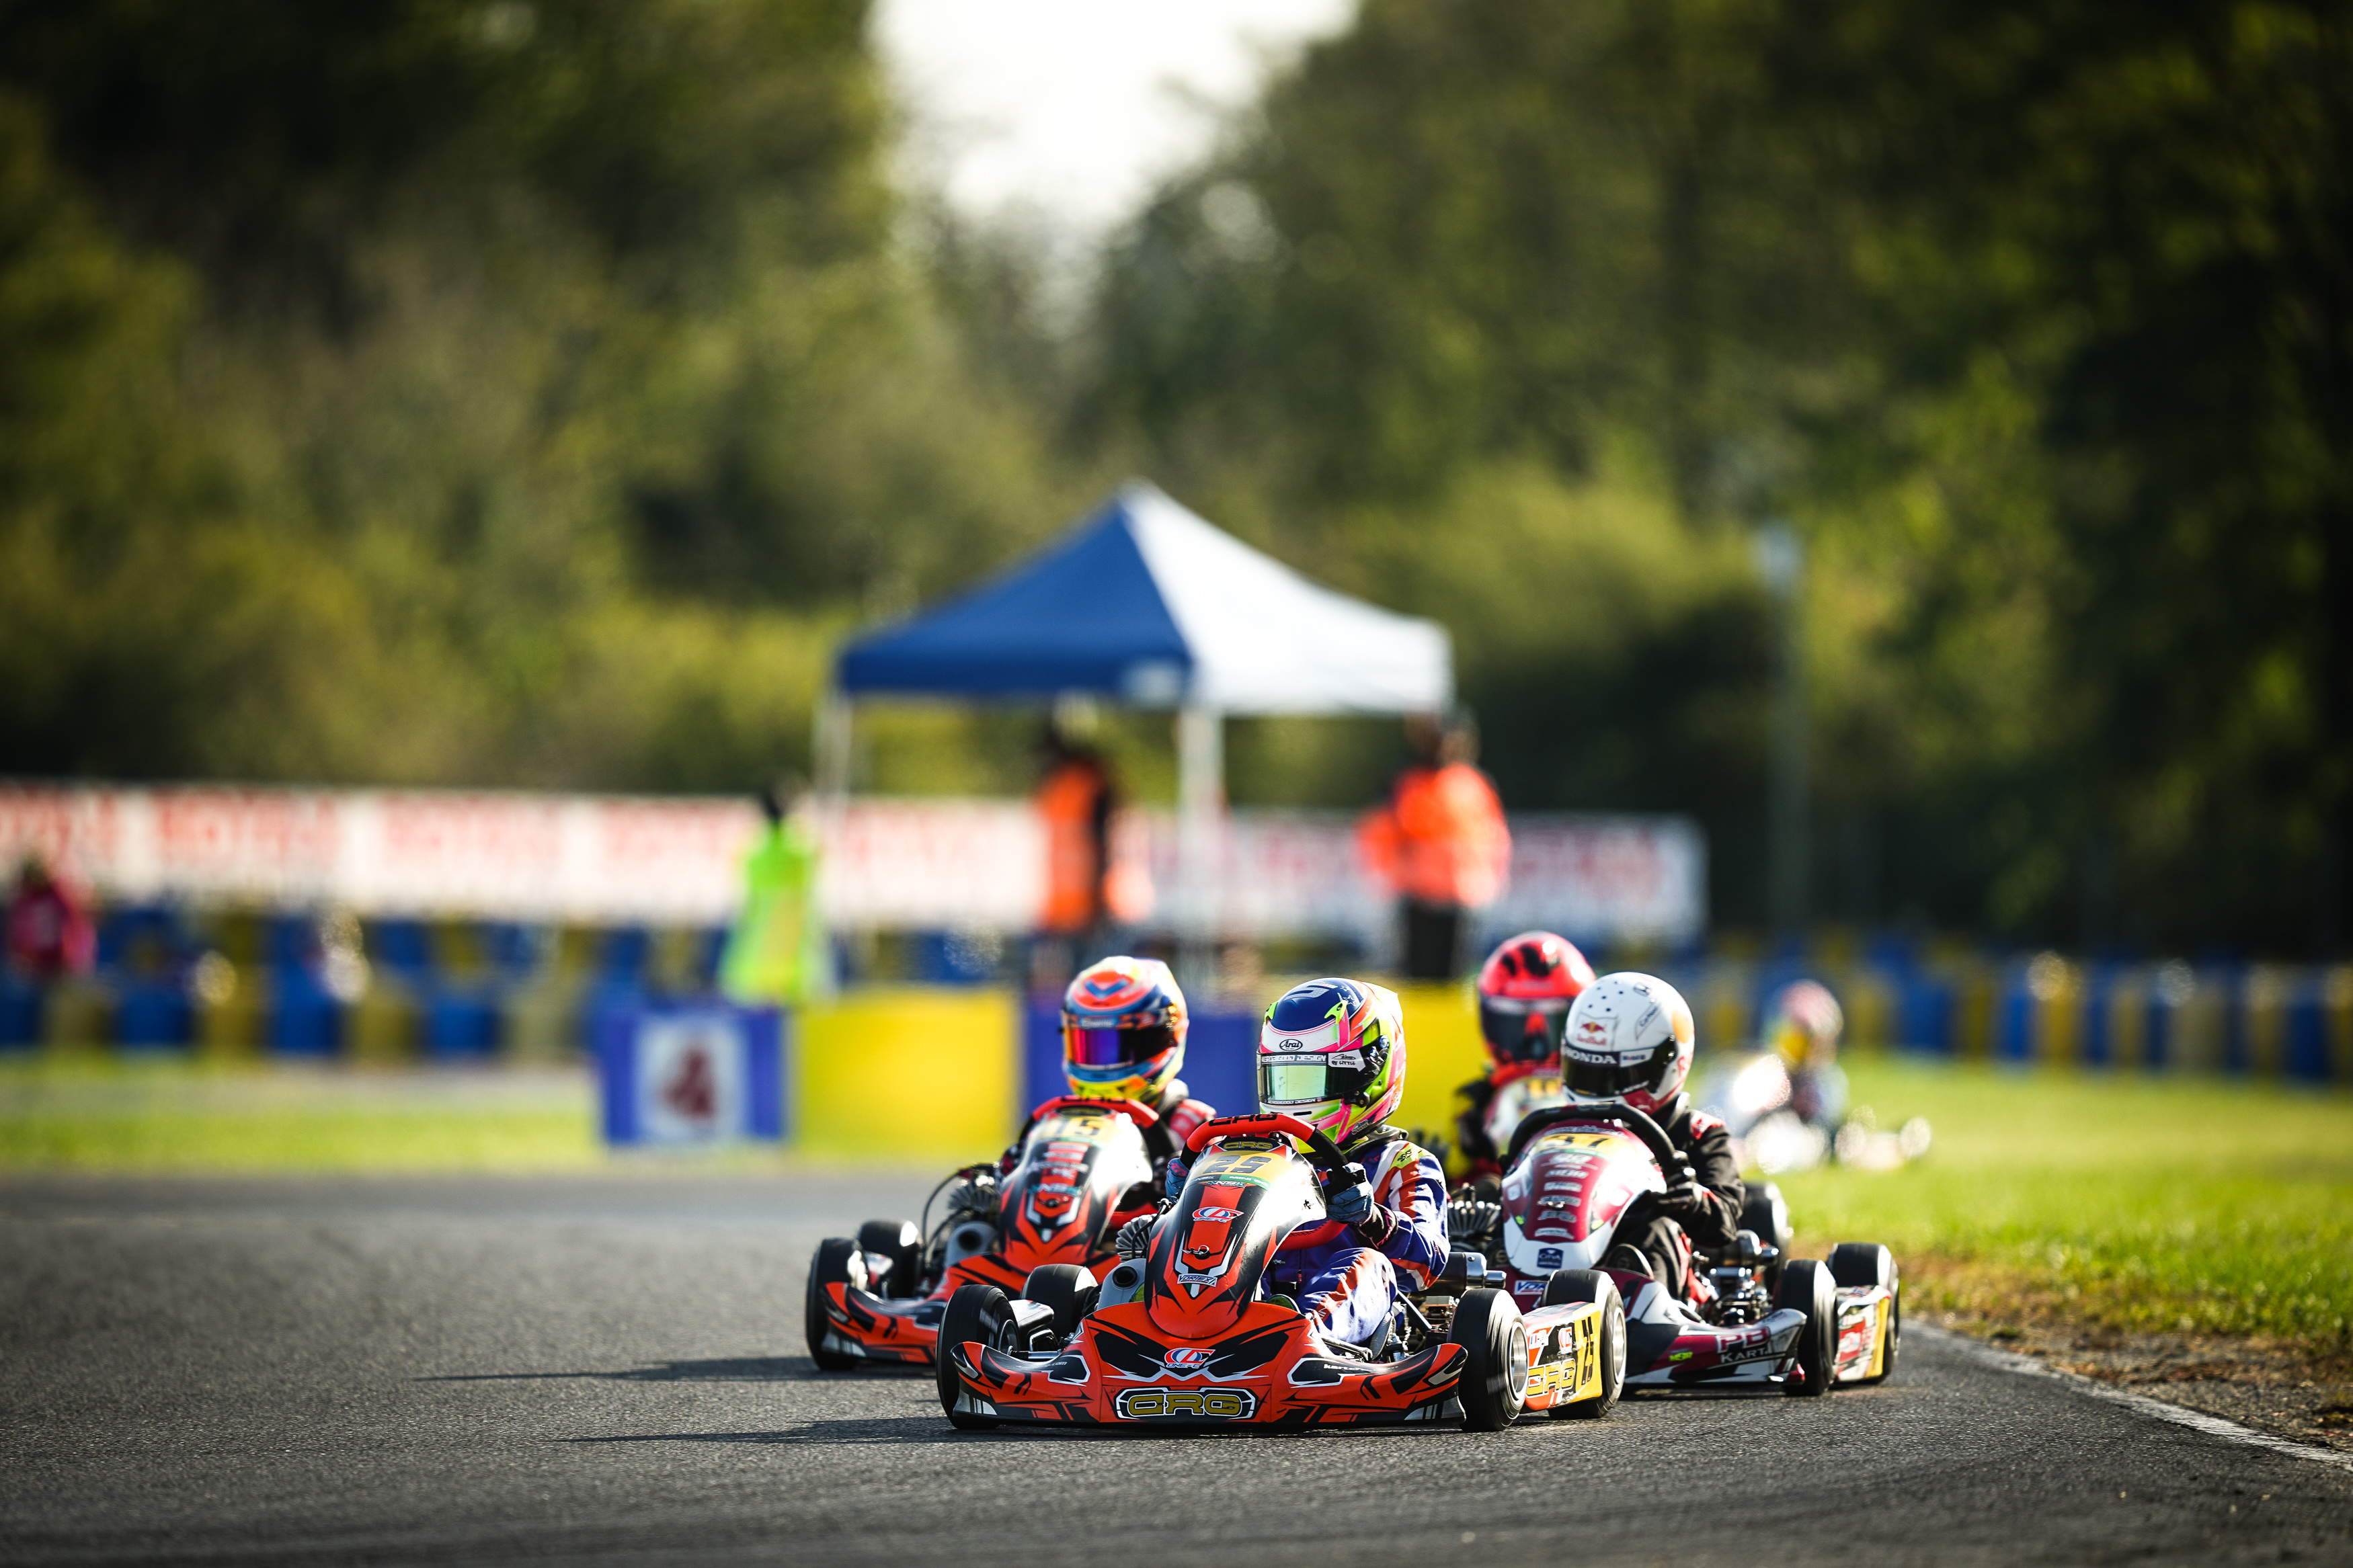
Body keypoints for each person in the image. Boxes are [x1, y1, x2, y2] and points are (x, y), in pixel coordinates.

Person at [1168, 978, 1448, 1352]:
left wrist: (1373, 1219)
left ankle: (1298, 1338)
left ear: (1366, 1076)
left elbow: (1426, 1264)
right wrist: (1180, 1206)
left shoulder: (1399, 1163)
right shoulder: (1248, 1157)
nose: (1293, 1099)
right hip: (1248, 1303)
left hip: (1354, 1325)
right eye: (1283, 1079)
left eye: (1311, 1078)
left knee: (1367, 1262)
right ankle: (1173, 1331)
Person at [1560, 971, 1743, 1301]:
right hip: (1562, 1247)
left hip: (1661, 1277)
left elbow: (1726, 1222)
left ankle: (1641, 1312)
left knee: (1656, 1231)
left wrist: (1692, 1200)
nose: (1595, 1094)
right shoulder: (1559, 1130)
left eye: (1612, 1077)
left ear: (1665, 1062)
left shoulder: (1698, 1134)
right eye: (1584, 1074)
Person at [1002, 956, 1214, 1194]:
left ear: (1165, 1037)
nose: (1104, 1060)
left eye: (1119, 1047)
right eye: (1089, 1045)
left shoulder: (1193, 1125)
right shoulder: (1053, 1125)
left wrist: (1179, 1175)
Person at [1355, 712, 1511, 980]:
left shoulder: (1475, 784)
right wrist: (1388, 875)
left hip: (1463, 894)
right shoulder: (1405, 782)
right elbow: (1380, 829)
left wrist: (1491, 878)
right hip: (1419, 894)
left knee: (1454, 971)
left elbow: (1494, 835)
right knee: (1418, 971)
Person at [1453, 930, 1597, 1181]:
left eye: (1553, 1021)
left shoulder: (1611, 1092)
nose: (1536, 1045)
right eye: (1517, 1024)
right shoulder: (1473, 1105)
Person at [719, 781, 828, 1007]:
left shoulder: (753, 854)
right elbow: (818, 855)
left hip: (753, 962)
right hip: (797, 963)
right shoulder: (803, 852)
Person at [6, 856, 93, 981]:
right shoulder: (25, 902)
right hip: (38, 965)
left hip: (62, 962)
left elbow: (78, 925)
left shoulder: (60, 895)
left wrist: (75, 955)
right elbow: (18, 935)